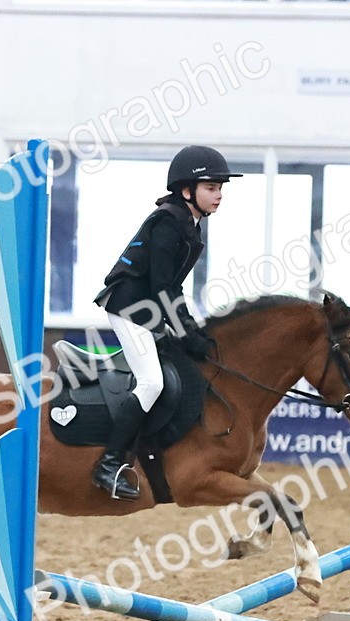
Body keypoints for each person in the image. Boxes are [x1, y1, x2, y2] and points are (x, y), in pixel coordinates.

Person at [90, 145, 241, 500]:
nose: (219, 195)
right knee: (151, 382)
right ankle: (109, 464)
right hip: (128, 308)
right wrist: (186, 331)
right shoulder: (168, 222)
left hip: (149, 309)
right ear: (187, 190)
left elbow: (174, 288)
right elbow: (161, 288)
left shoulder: (191, 225)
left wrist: (191, 329)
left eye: (221, 188)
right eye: (211, 188)